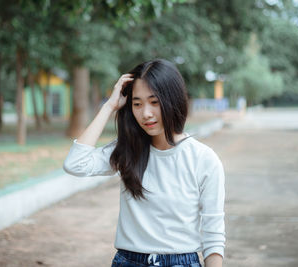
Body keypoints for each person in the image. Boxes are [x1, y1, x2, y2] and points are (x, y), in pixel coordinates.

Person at [63, 59, 225, 267]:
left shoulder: (203, 159)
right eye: (137, 104)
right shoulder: (128, 150)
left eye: (154, 102)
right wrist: (110, 106)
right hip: (129, 261)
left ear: (172, 100)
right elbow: (75, 163)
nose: (145, 113)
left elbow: (213, 235)